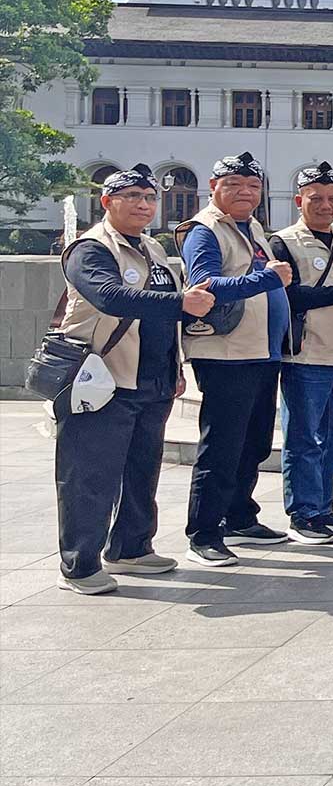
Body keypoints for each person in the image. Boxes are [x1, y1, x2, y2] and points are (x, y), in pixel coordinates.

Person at [50, 165, 207, 594]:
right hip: (101, 381)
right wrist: (181, 301)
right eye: (132, 196)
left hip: (151, 380)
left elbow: (165, 320)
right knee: (90, 476)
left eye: (149, 198)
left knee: (142, 472)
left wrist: (174, 369)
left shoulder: (152, 249)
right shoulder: (90, 249)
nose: (143, 205)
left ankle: (131, 548)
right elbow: (109, 296)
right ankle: (79, 565)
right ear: (107, 202)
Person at [175, 150, 291, 566]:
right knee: (222, 446)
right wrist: (266, 278)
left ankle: (240, 516)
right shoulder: (204, 231)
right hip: (226, 353)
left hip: (261, 351)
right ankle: (204, 532)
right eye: (234, 186)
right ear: (213, 188)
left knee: (254, 442)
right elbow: (205, 287)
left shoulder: (251, 227)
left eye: (253, 186)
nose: (245, 192)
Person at [269, 162, 333, 544]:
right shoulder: (284, 242)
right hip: (306, 353)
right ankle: (304, 512)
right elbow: (286, 296)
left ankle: (324, 504)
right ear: (299, 200)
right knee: (304, 437)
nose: (326, 206)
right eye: (316, 199)